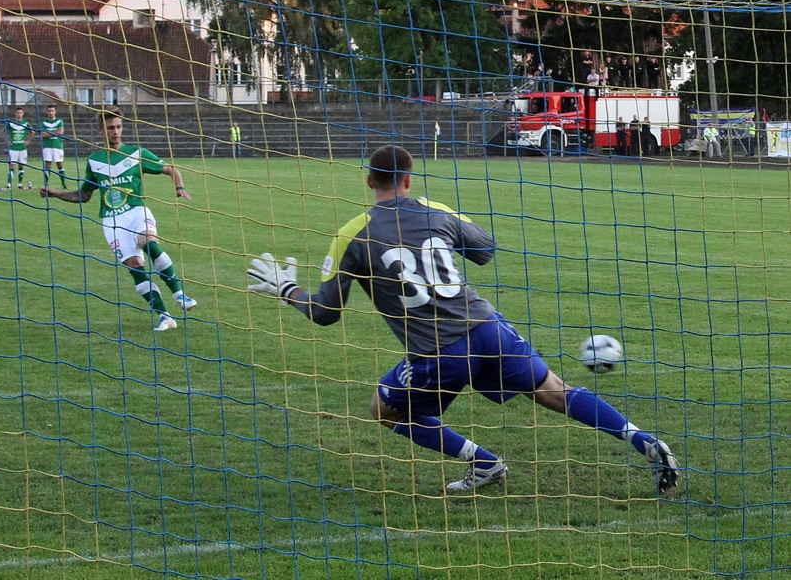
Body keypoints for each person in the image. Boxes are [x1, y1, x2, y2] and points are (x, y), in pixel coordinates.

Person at [247, 144, 680, 494]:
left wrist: (289, 291)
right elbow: (485, 250)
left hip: (437, 351)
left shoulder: (352, 234)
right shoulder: (437, 211)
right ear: (408, 180)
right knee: (555, 391)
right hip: (489, 328)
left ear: (368, 181)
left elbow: (324, 314)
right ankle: (643, 440)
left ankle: (485, 463)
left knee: (386, 410)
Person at [40, 106, 197, 331]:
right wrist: (56, 193)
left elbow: (171, 170)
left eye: (118, 127)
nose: (115, 131)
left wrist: (179, 187)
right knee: (135, 266)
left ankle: (181, 295)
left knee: (148, 242)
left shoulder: (136, 153)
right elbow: (84, 196)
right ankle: (164, 316)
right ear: (101, 131)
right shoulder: (95, 161)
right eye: (110, 128)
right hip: (112, 222)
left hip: (136, 212)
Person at [4, 106, 34, 189]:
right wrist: (7, 141)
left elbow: (32, 132)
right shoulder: (10, 123)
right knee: (12, 165)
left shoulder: (26, 123)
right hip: (13, 148)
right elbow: (2, 132)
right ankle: (9, 184)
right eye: (17, 113)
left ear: (23, 114)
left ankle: (20, 184)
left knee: (21, 166)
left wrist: (28, 141)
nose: (19, 114)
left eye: (20, 113)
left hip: (22, 148)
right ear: (15, 113)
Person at [41, 105, 67, 188]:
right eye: (49, 111)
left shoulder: (59, 121)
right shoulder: (44, 122)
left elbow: (60, 132)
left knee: (60, 165)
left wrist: (49, 133)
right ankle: (46, 184)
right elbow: (43, 134)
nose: (51, 113)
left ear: (55, 112)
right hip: (47, 146)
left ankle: (63, 184)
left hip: (57, 146)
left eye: (52, 111)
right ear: (47, 112)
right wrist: (55, 132)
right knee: (47, 165)